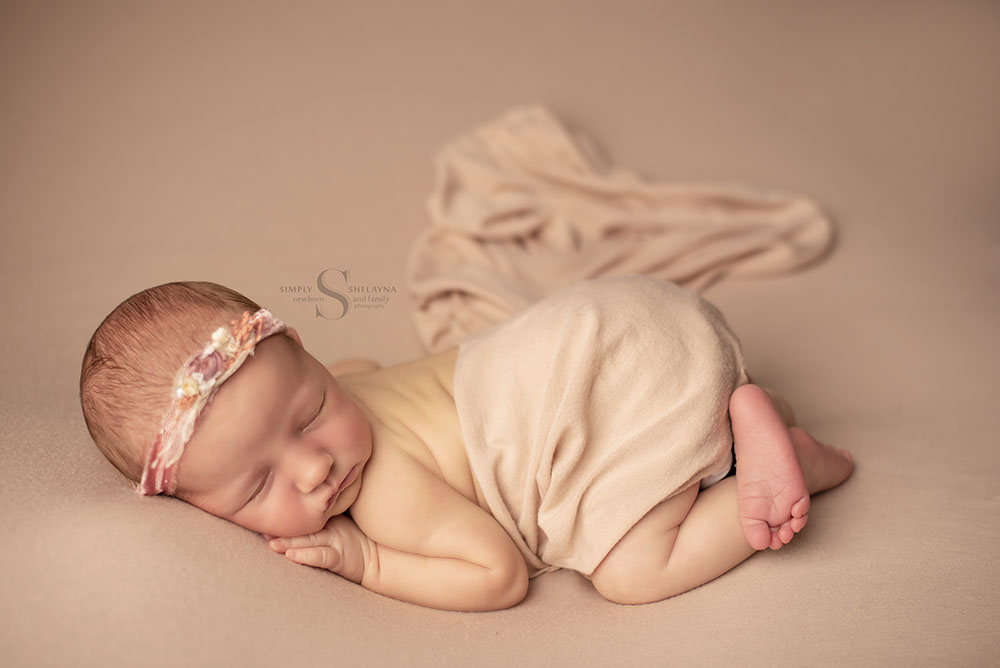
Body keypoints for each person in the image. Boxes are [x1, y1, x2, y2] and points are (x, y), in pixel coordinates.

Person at [79, 276, 853, 611]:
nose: (315, 466)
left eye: (311, 411)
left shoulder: (384, 493)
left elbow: (498, 574)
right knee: (673, 410)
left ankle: (778, 471)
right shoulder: (348, 380)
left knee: (630, 574)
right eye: (258, 487)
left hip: (601, 389)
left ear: (307, 356)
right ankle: (741, 412)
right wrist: (323, 397)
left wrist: (369, 562)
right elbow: (363, 370)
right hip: (630, 319)